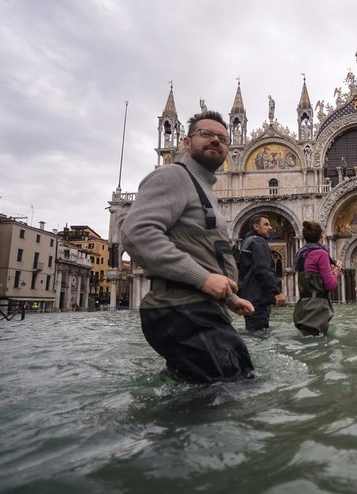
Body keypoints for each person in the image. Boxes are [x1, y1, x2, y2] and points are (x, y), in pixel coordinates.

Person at [121, 110, 256, 383]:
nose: (215, 141)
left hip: (199, 310)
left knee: (235, 384)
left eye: (222, 137)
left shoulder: (203, 187)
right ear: (186, 141)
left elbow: (203, 253)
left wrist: (230, 299)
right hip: (182, 310)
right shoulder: (173, 176)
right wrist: (204, 279)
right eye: (206, 134)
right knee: (226, 397)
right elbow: (136, 232)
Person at [292, 221, 342, 336]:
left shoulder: (301, 254)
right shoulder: (321, 254)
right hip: (317, 310)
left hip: (302, 308)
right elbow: (330, 285)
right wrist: (335, 272)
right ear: (321, 236)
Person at [237, 215, 286, 331]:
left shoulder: (246, 242)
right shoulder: (258, 241)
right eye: (266, 224)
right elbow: (262, 269)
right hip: (258, 299)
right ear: (256, 227)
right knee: (260, 334)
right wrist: (277, 292)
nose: (270, 228)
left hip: (248, 297)